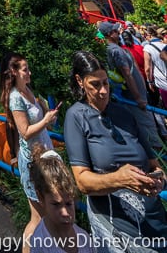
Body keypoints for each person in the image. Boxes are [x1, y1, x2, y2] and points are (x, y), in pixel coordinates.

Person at [64, 50, 167, 252]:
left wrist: (158, 180)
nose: (103, 91)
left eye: (106, 83)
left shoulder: (124, 113)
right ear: (80, 81)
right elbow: (82, 182)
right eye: (95, 84)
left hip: (155, 224)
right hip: (118, 230)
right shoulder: (76, 116)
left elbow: (155, 166)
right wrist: (120, 179)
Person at [0, 53, 60, 252]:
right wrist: (45, 120)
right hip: (33, 162)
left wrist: (45, 114)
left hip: (44, 154)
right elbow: (24, 132)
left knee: (46, 216)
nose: (29, 72)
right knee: (38, 217)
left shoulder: (28, 91)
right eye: (25, 69)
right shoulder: (16, 97)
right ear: (15, 72)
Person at [100, 20, 164, 150]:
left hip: (136, 93)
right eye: (114, 31)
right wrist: (138, 97)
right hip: (134, 96)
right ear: (109, 34)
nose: (117, 32)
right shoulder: (115, 50)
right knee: (147, 124)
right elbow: (127, 73)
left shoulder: (117, 49)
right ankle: (158, 154)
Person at [27, 145, 93, 253]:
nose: (65, 213)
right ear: (41, 198)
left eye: (68, 204)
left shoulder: (83, 238)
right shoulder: (40, 245)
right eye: (56, 204)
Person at [143, 26, 167, 110]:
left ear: (149, 35)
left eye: (145, 35)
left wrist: (150, 82)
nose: (145, 38)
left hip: (163, 82)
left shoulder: (147, 48)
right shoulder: (165, 44)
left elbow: (147, 68)